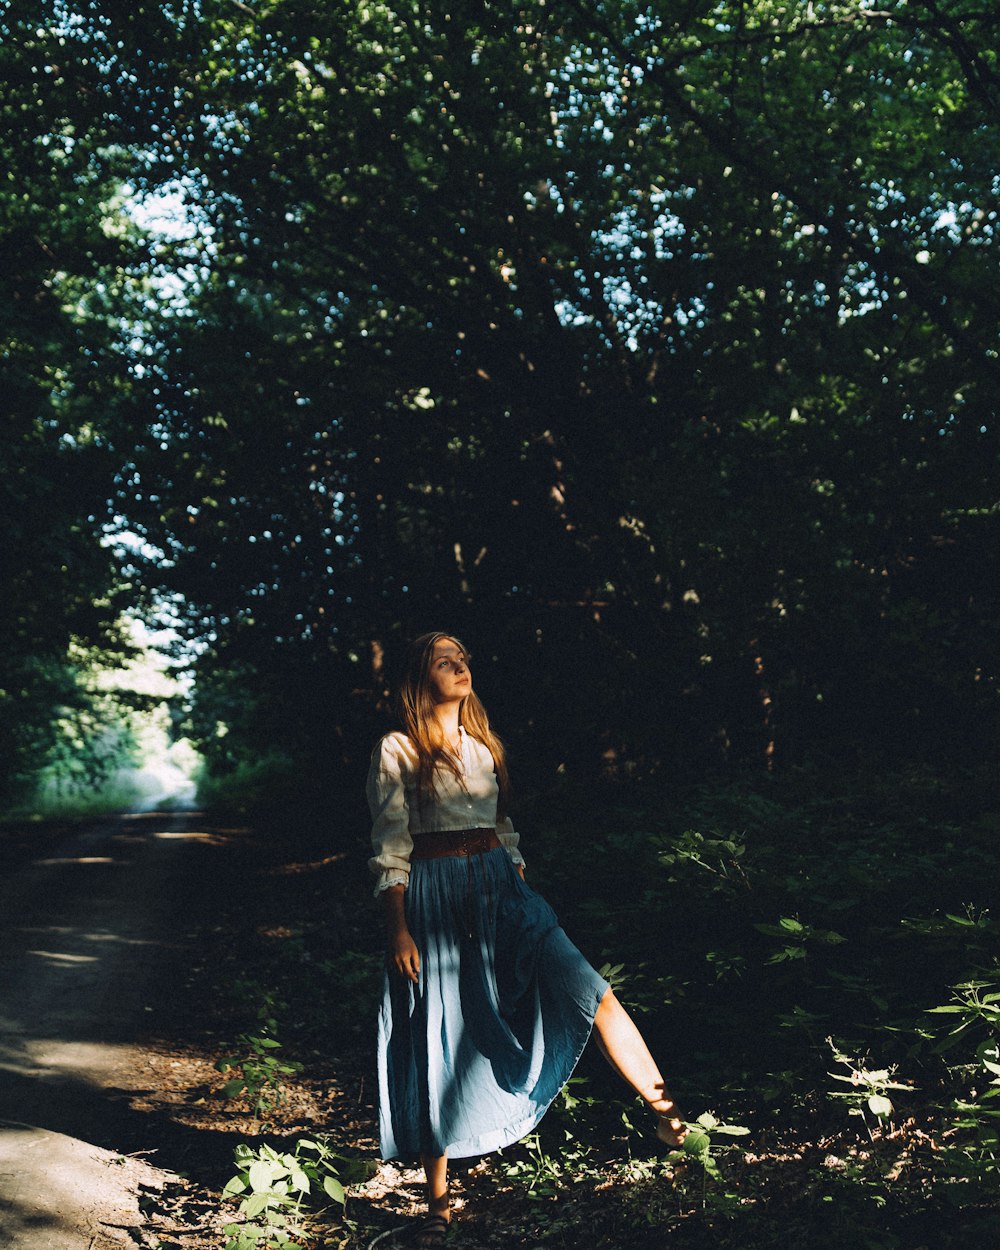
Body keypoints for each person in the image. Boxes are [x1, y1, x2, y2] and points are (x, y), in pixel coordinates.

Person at [367, 632, 686, 1247]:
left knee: (591, 990)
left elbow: (502, 826)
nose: (460, 665)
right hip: (435, 898)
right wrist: (399, 927)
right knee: (440, 1031)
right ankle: (438, 1206)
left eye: (462, 656)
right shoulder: (398, 748)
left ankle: (672, 1120)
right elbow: (390, 846)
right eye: (444, 660)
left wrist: (514, 880)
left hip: (503, 894)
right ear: (420, 676)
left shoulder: (484, 747)